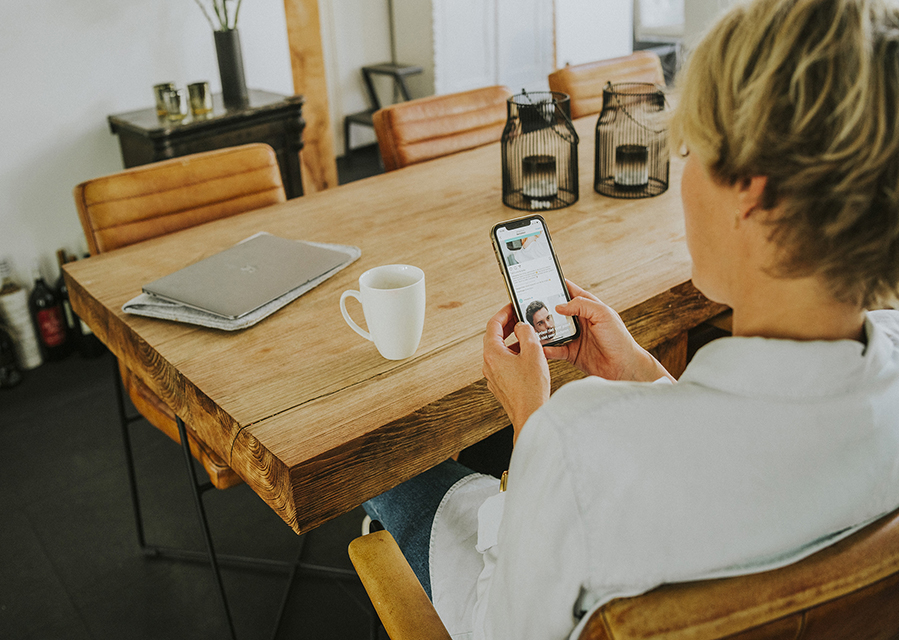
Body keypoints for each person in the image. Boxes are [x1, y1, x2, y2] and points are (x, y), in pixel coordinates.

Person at [363, 0, 899, 637]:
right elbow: (744, 451)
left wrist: (531, 425)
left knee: (392, 475)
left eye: (691, 150)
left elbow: (501, 628)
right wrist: (642, 375)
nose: (682, 175)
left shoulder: (575, 445)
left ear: (753, 192)